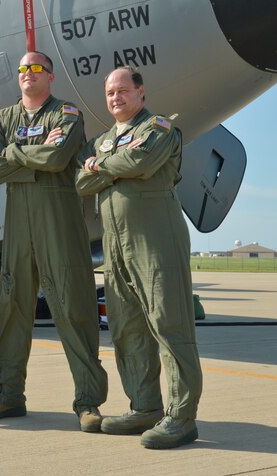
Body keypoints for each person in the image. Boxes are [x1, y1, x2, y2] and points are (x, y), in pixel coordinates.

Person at [0, 51, 108, 432]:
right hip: (16, 224)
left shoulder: (66, 115)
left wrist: (13, 153)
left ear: (50, 77)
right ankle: (7, 395)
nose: (28, 74)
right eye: (23, 69)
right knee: (11, 308)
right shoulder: (3, 118)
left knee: (73, 306)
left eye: (36, 69)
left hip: (58, 220)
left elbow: (56, 157)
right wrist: (30, 153)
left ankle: (87, 401)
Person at [76, 67, 202, 449]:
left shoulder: (159, 129)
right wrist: (107, 167)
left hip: (155, 237)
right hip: (115, 243)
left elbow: (141, 163)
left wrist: (102, 167)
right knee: (126, 326)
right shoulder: (103, 140)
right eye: (110, 93)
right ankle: (144, 406)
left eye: (123, 91)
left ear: (141, 93)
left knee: (169, 322)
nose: (116, 98)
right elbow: (82, 182)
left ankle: (181, 417)